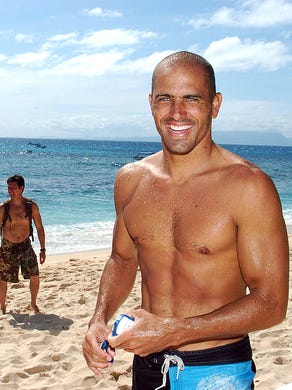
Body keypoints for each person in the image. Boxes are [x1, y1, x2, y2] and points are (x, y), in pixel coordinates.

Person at [82, 51, 289, 389]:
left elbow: (271, 303)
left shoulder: (249, 187)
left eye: (191, 98)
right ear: (151, 103)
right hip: (147, 367)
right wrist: (98, 319)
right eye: (165, 98)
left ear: (215, 104)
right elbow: (122, 259)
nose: (177, 113)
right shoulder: (130, 180)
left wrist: (174, 330)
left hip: (216, 371)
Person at [0, 175, 46, 314]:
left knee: (35, 275)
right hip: (8, 247)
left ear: (22, 188)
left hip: (25, 245)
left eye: (13, 187)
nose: (10, 190)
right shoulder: (3, 208)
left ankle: (33, 304)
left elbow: (39, 227)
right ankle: (2, 306)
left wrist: (43, 249)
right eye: (8, 187)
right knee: (3, 278)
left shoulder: (31, 206)